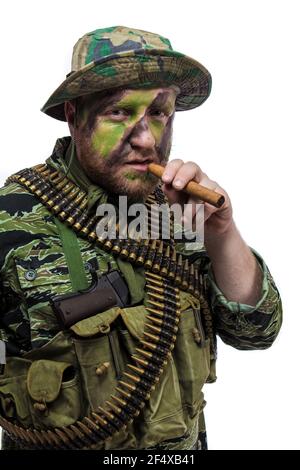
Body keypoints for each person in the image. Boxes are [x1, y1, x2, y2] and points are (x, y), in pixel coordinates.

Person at [0, 26, 282, 450]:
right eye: (119, 112)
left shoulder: (180, 210)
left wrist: (221, 232)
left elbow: (256, 331)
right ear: (75, 114)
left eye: (160, 112)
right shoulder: (11, 218)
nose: (146, 139)